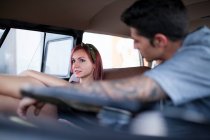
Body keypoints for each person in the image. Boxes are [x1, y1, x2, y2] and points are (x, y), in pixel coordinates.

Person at [15, 0, 210, 136]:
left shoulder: (200, 54)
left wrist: (52, 93)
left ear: (159, 40)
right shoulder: (176, 60)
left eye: (136, 40)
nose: (134, 46)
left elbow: (133, 90)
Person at [0, 43, 103, 118]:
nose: (75, 65)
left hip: (57, 115)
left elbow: (73, 90)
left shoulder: (101, 90)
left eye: (82, 60)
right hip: (46, 104)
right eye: (73, 61)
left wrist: (30, 72)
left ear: (94, 64)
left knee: (35, 85)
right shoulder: (72, 82)